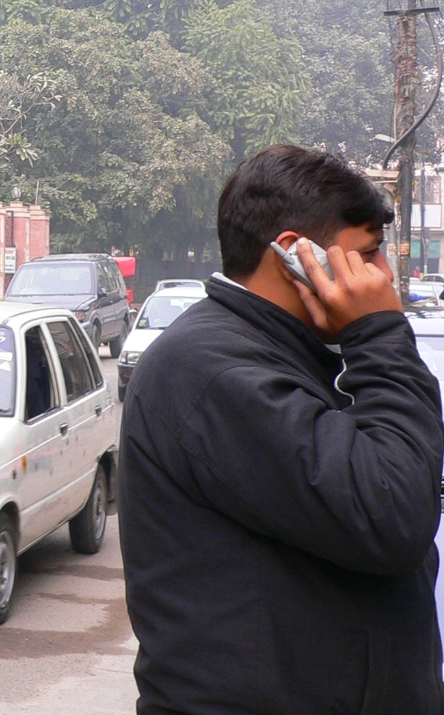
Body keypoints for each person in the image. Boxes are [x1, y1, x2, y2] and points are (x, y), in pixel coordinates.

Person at [120, 145, 443, 714]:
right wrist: (379, 334)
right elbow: (391, 513)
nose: (386, 277)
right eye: (369, 254)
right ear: (296, 255)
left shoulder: (290, 352)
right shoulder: (212, 369)